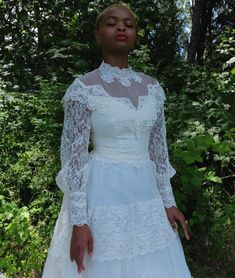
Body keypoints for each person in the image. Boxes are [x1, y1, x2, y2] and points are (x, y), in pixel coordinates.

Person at [42, 3, 192, 277]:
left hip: (147, 197)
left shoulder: (154, 89)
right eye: (111, 23)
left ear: (134, 34)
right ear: (98, 34)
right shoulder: (83, 88)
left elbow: (159, 154)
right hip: (103, 194)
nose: (121, 27)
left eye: (129, 24)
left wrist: (168, 202)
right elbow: (73, 161)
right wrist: (79, 223)